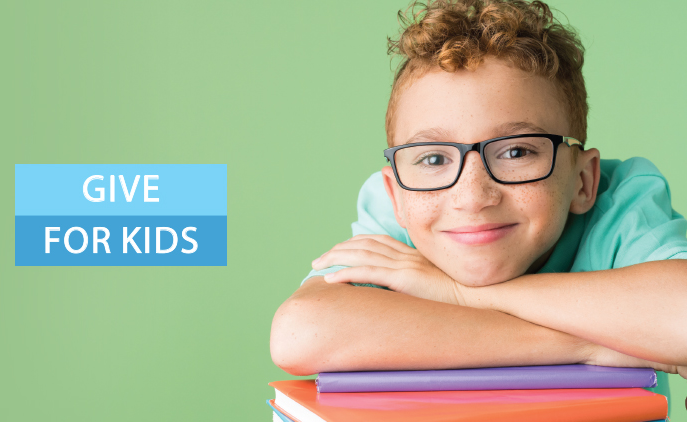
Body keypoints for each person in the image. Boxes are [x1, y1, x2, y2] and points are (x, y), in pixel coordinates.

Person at [270, 0, 687, 402]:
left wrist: (455, 293)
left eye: (517, 152)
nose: (472, 197)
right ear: (394, 195)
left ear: (583, 181)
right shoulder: (409, 213)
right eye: (433, 158)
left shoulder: (622, 200)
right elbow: (300, 334)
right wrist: (590, 344)